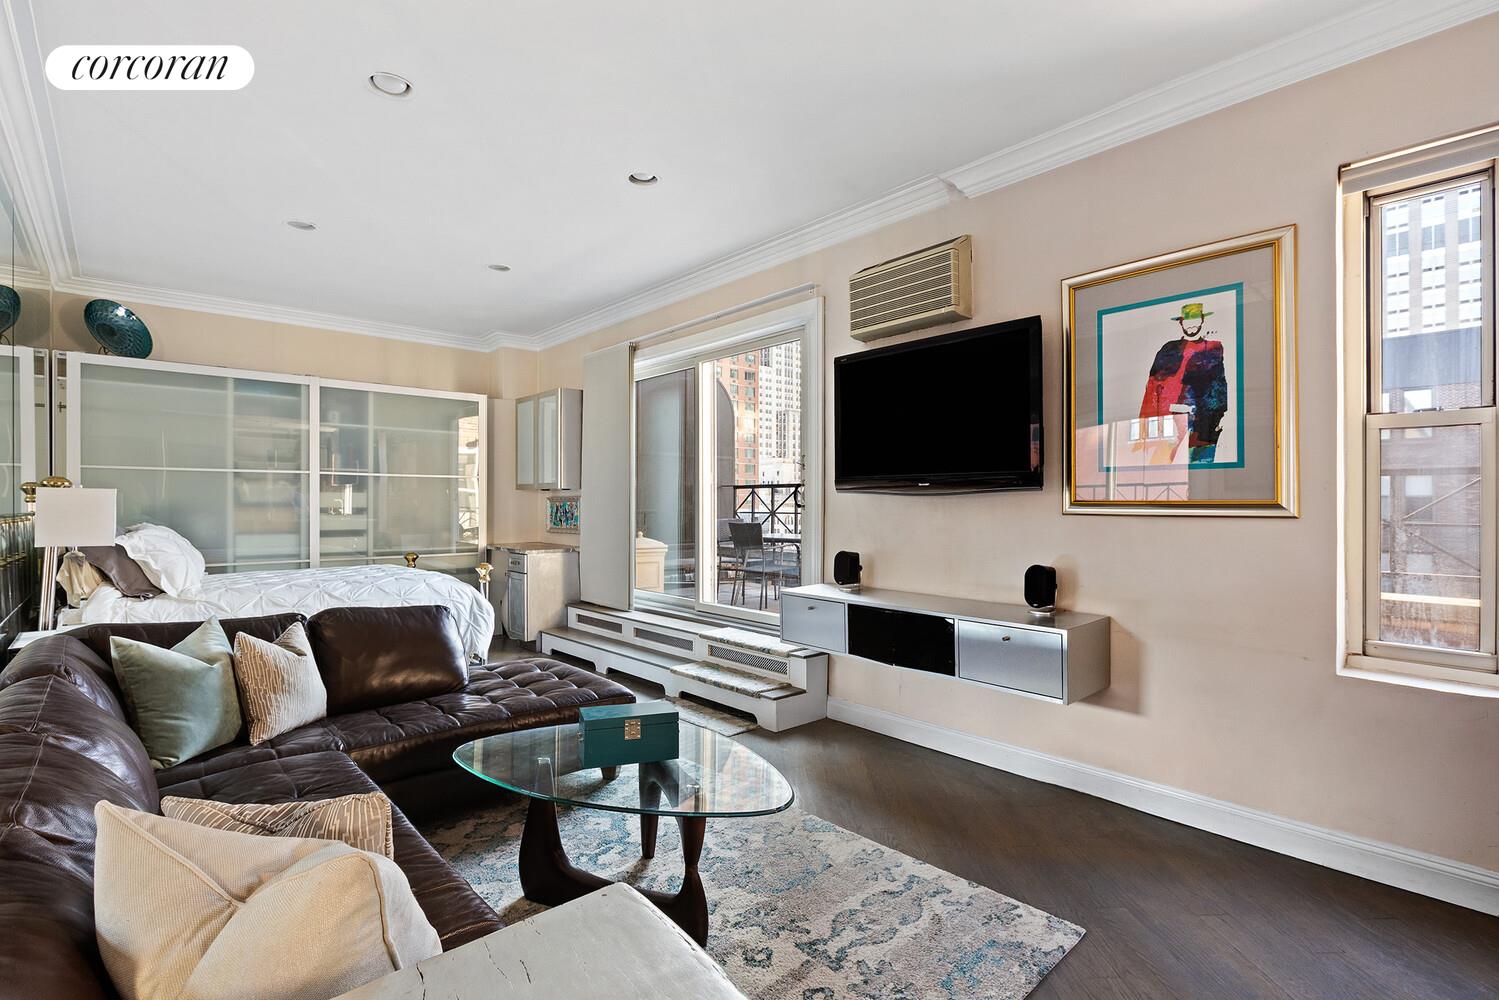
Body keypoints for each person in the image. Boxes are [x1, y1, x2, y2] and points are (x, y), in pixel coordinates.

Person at [1136, 302, 1227, 464]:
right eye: (1188, 321)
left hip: (1200, 425)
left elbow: (1219, 389)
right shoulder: (1168, 350)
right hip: (1167, 424)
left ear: (1202, 320)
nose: (1191, 326)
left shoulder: (1213, 349)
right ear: (1181, 323)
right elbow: (1152, 388)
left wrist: (1214, 419)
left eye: (1195, 320)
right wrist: (1146, 427)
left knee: (1200, 470)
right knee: (1160, 468)